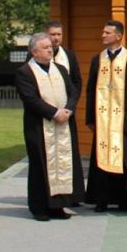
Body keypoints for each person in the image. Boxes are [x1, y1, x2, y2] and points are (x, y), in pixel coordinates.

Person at [82, 20, 127, 211]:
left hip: (123, 118)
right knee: (100, 157)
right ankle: (101, 199)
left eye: (107, 32)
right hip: (102, 118)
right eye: (103, 32)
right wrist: (90, 117)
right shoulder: (97, 60)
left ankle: (126, 199)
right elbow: (91, 90)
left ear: (118, 36)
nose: (103, 35)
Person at [16, 32, 85, 220]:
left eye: (50, 48)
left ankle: (58, 206)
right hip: (39, 126)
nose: (50, 50)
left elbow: (73, 92)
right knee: (41, 165)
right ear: (34, 52)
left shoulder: (61, 69)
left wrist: (68, 110)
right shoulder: (25, 72)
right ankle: (40, 208)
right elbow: (30, 99)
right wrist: (54, 113)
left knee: (62, 163)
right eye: (45, 48)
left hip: (64, 123)